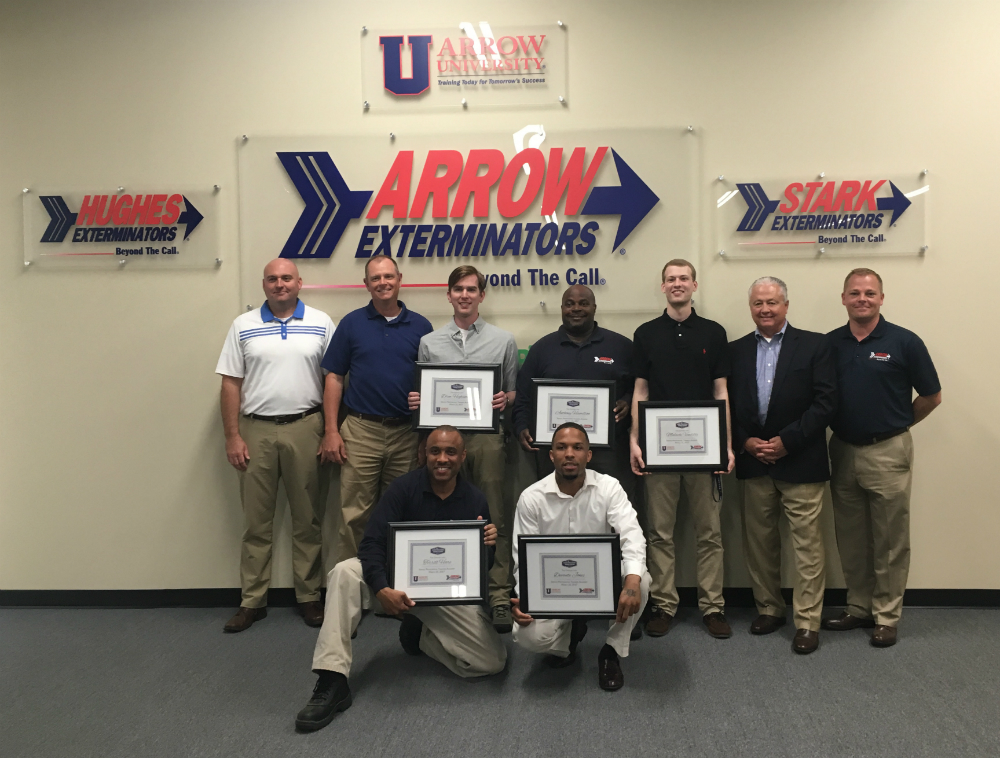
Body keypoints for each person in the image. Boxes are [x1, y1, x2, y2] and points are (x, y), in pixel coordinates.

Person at [295, 426, 506, 732]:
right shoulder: (402, 488)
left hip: (443, 595)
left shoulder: (474, 499)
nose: (442, 459)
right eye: (435, 451)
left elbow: (478, 572)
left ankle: (420, 636)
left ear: (463, 456)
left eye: (450, 452)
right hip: (395, 584)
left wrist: (488, 547)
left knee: (492, 662)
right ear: (424, 454)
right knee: (344, 571)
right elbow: (371, 545)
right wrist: (381, 588)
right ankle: (332, 679)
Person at [822, 268, 941, 647]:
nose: (862, 299)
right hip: (841, 449)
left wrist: (899, 422)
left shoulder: (904, 342)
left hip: (888, 450)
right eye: (854, 293)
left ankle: (887, 616)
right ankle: (859, 608)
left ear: (881, 298)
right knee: (852, 536)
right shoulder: (829, 345)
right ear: (843, 298)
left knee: (891, 538)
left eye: (870, 293)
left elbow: (932, 396)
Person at [215, 259, 335, 632]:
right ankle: (252, 601)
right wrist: (233, 436)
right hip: (256, 432)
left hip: (306, 427)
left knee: (308, 520)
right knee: (256, 522)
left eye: (286, 278)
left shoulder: (321, 322)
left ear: (300, 283)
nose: (279, 284)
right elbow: (230, 383)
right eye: (272, 279)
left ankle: (309, 597)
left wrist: (331, 430)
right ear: (264, 284)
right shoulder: (243, 325)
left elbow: (335, 378)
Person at [407, 265, 520, 633]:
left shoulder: (503, 341)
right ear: (449, 294)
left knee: (493, 514)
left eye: (472, 289)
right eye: (458, 289)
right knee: (440, 514)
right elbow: (427, 394)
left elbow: (512, 393)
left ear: (482, 295)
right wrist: (419, 401)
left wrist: (506, 398)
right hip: (441, 441)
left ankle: (499, 596)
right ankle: (445, 590)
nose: (465, 295)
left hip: (487, 440)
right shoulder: (430, 342)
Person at [728, 277, 837, 654]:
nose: (766, 310)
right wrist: (744, 441)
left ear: (786, 305)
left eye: (773, 302)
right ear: (751, 308)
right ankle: (770, 609)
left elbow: (825, 403)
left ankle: (808, 621)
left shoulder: (815, 345)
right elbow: (728, 406)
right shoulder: (736, 350)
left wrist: (787, 441)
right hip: (754, 461)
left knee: (808, 546)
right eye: (758, 303)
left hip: (801, 460)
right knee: (760, 544)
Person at [630, 258, 735, 639]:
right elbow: (640, 392)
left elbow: (721, 392)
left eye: (683, 279)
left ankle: (712, 607)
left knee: (710, 533)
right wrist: (634, 441)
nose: (677, 284)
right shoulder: (645, 333)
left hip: (704, 451)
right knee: (660, 533)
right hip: (657, 452)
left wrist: (726, 444)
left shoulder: (713, 333)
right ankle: (663, 604)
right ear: (663, 287)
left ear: (694, 285)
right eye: (671, 279)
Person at [511, 423, 649, 691]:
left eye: (578, 447)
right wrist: (523, 599)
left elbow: (632, 535)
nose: (570, 454)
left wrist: (631, 581)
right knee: (526, 636)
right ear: (551, 455)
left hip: (600, 582)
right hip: (554, 587)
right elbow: (522, 560)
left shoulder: (609, 488)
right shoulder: (531, 498)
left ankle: (611, 652)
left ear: (589, 455)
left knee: (641, 580)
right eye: (561, 447)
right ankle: (568, 642)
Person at [318, 254, 433, 558]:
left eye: (388, 276)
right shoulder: (352, 324)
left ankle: (394, 591)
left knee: (402, 514)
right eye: (376, 278)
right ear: (366, 284)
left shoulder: (421, 326)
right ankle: (353, 594)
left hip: (405, 434)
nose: (383, 283)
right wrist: (331, 430)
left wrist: (425, 438)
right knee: (354, 516)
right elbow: (334, 378)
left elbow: (432, 385)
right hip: (360, 431)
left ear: (399, 279)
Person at [512, 285, 635, 501]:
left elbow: (640, 387)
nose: (576, 309)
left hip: (608, 451)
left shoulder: (621, 346)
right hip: (556, 451)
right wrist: (521, 426)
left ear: (594, 307)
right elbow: (523, 395)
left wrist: (627, 400)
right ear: (562, 308)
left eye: (583, 303)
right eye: (570, 304)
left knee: (609, 508)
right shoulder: (542, 349)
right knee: (556, 508)